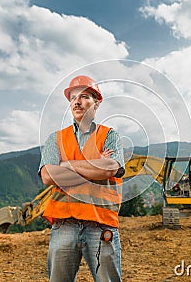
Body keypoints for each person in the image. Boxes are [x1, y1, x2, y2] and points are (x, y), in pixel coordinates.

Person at [38, 75, 125, 282]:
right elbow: (48, 176)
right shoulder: (55, 139)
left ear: (97, 103)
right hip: (64, 225)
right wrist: (94, 164)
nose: (77, 102)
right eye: (73, 97)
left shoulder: (110, 136)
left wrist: (66, 165)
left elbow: (110, 168)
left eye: (84, 96)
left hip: (101, 224)